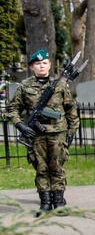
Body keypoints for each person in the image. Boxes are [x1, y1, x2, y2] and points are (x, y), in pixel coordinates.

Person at [7, 49, 79, 215]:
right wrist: (20, 125)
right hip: (36, 135)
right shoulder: (25, 86)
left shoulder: (60, 85)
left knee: (57, 167)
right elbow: (12, 108)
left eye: (44, 63)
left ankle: (59, 202)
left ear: (50, 65)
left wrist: (72, 131)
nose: (41, 66)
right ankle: (45, 203)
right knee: (41, 168)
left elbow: (71, 109)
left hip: (57, 133)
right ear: (32, 67)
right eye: (38, 64)